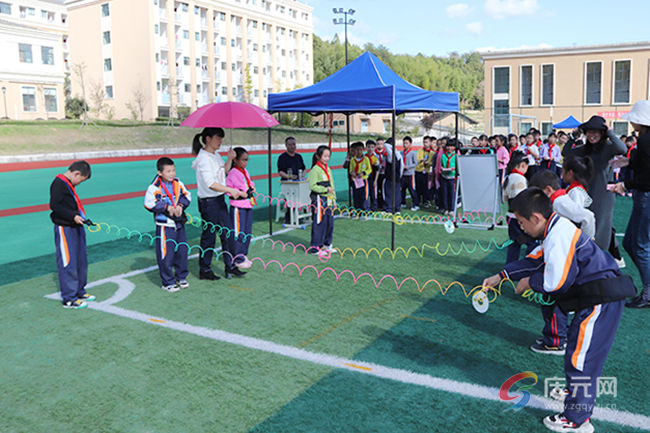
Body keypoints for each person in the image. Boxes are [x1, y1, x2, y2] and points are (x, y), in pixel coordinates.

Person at [482, 187, 635, 433]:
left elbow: (557, 282)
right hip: (594, 298)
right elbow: (536, 258)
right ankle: (575, 392)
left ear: (535, 218)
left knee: (582, 359)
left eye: (521, 222)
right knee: (577, 351)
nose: (520, 228)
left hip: (600, 300)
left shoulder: (557, 235)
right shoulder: (556, 227)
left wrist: (529, 282)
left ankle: (577, 419)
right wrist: (502, 275)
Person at [562, 115, 626, 255]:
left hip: (603, 193)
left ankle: (602, 256)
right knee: (589, 222)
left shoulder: (608, 148)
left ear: (602, 133)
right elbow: (565, 153)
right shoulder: (584, 149)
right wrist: (573, 137)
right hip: (586, 191)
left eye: (596, 131)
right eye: (589, 132)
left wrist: (610, 132)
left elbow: (622, 149)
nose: (592, 135)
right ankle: (610, 254)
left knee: (601, 224)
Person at [191, 127, 246, 280]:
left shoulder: (215, 155)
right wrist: (230, 189)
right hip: (209, 202)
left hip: (219, 200)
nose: (220, 141)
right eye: (217, 138)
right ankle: (204, 269)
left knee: (227, 233)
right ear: (207, 139)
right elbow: (211, 183)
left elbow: (225, 171)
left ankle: (231, 265)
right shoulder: (203, 158)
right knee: (209, 237)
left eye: (221, 138)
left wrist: (230, 158)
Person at [610, 101, 650, 308]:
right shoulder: (644, 141)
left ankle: (649, 292)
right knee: (630, 243)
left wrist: (625, 184)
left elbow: (647, 176)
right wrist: (628, 162)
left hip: (645, 197)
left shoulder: (644, 141)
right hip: (643, 197)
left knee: (641, 246)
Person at [49, 160, 95, 309]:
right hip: (65, 227)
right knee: (68, 261)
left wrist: (80, 217)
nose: (79, 183)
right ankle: (69, 298)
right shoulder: (58, 183)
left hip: (76, 226)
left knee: (81, 259)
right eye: (80, 180)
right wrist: (72, 216)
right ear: (76, 174)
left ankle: (80, 290)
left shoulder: (69, 184)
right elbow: (55, 206)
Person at [144, 157, 192, 292]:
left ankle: (181, 277)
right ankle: (167, 282)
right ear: (160, 172)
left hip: (179, 223)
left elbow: (187, 196)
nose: (172, 174)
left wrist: (181, 206)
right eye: (168, 171)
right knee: (166, 254)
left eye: (173, 170)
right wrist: (166, 207)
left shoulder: (178, 183)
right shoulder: (154, 187)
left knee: (182, 251)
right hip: (165, 225)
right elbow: (149, 203)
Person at [226, 147, 256, 270]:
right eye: (243, 160)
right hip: (238, 206)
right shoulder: (233, 172)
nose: (245, 162)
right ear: (236, 160)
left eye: (247, 160)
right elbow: (229, 189)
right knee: (238, 232)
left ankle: (243, 254)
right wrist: (239, 193)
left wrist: (252, 188)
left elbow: (249, 183)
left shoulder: (245, 171)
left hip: (247, 204)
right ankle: (237, 257)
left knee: (247, 231)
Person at [502, 152, 535, 264]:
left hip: (510, 215)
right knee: (531, 242)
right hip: (520, 216)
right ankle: (529, 265)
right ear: (522, 165)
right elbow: (521, 198)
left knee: (514, 243)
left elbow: (504, 198)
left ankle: (510, 267)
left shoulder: (508, 177)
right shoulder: (520, 179)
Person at [308, 145, 336, 254]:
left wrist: (334, 199)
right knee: (319, 222)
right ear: (318, 156)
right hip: (319, 199)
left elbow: (332, 184)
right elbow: (312, 186)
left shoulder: (327, 168)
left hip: (328, 199)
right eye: (325, 156)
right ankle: (316, 247)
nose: (327, 158)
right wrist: (325, 189)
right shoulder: (315, 170)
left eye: (328, 156)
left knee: (330, 223)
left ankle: (327, 244)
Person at [348, 141, 372, 211]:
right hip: (355, 181)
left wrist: (363, 173)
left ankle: (365, 210)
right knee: (356, 195)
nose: (359, 151)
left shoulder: (366, 159)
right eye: (357, 150)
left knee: (364, 196)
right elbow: (351, 169)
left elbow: (369, 169)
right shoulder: (353, 160)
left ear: (363, 150)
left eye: (361, 150)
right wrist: (352, 173)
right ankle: (357, 210)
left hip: (363, 180)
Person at [383, 137, 404, 213]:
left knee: (389, 194)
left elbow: (386, 146)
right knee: (396, 194)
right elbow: (402, 166)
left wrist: (389, 144)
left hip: (391, 177)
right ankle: (396, 209)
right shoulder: (398, 154)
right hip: (397, 177)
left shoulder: (391, 154)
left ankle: (389, 209)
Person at [400, 136, 419, 210]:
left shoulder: (412, 153)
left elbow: (415, 163)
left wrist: (407, 167)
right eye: (404, 143)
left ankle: (416, 204)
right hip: (403, 175)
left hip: (410, 174)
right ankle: (403, 202)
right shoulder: (401, 153)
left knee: (412, 189)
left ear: (410, 144)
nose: (405, 145)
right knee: (402, 190)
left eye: (406, 143)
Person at [439, 139, 458, 216]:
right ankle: (446, 208)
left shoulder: (455, 156)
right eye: (448, 146)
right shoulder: (443, 155)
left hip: (452, 177)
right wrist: (442, 168)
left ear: (454, 147)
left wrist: (454, 169)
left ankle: (452, 209)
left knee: (451, 193)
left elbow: (457, 166)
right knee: (444, 193)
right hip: (444, 176)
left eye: (452, 146)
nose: (450, 148)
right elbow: (442, 165)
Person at [365, 140, 380, 211]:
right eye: (368, 147)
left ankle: (374, 208)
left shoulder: (375, 158)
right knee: (366, 193)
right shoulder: (364, 157)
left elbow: (377, 170)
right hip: (365, 178)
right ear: (366, 147)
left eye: (372, 147)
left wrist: (376, 180)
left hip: (373, 178)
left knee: (373, 194)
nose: (370, 149)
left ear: (374, 148)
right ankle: (366, 208)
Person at [374, 138, 387, 210]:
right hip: (376, 174)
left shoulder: (386, 153)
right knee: (377, 189)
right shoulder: (374, 153)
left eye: (381, 144)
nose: (380, 145)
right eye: (378, 144)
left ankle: (383, 204)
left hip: (383, 173)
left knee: (383, 190)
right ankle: (377, 204)